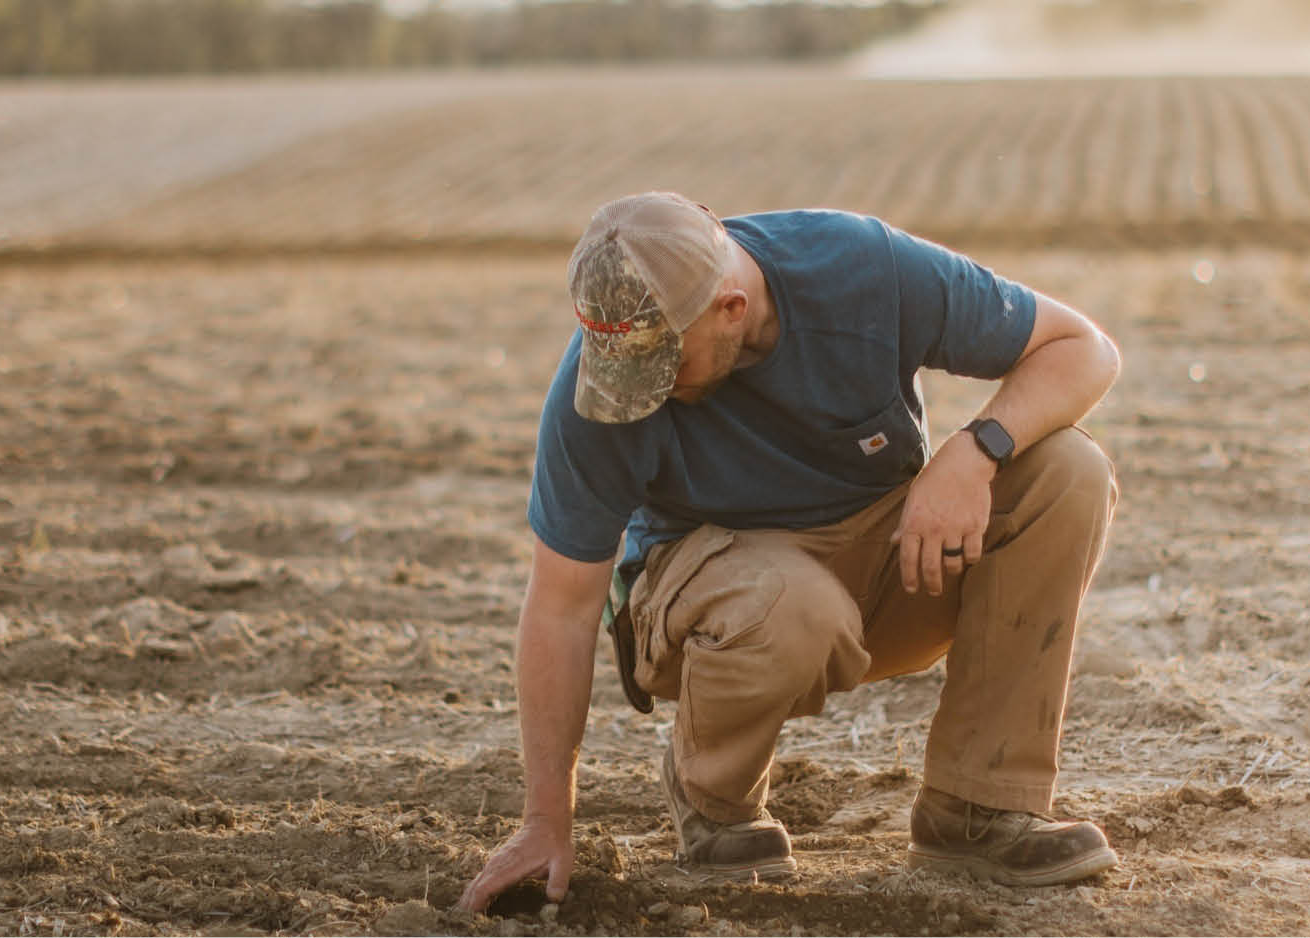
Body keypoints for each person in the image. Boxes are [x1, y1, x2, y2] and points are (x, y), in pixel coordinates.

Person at [455, 192, 1125, 913]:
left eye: (665, 369)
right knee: (786, 601)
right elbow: (560, 607)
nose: (641, 397)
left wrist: (975, 451)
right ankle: (713, 799)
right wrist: (543, 822)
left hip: (881, 564)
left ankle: (977, 806)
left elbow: (1083, 348)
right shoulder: (601, 393)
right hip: (718, 601)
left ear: (731, 308)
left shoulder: (860, 268)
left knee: (1066, 471)